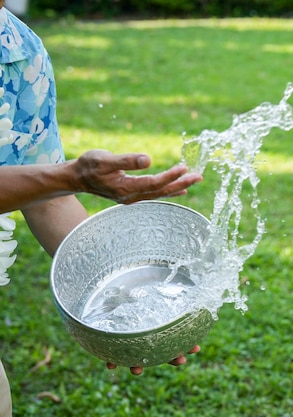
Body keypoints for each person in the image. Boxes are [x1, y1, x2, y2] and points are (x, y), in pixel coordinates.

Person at [0, 2, 202, 415]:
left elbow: (45, 197)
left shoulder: (19, 52)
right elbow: (54, 182)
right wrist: (70, 177)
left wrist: (126, 301)